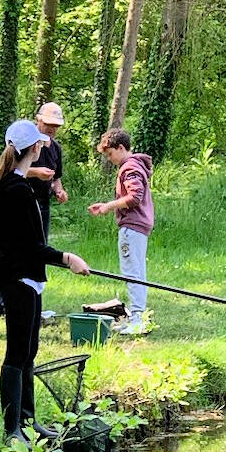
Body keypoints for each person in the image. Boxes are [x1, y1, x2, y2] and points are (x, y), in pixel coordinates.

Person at [0, 120, 89, 446]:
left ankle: (28, 421)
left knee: (29, 350)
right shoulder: (18, 192)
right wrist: (69, 259)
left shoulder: (9, 184)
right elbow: (33, 247)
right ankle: (12, 429)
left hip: (25, 276)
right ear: (36, 148)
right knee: (16, 353)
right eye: (41, 143)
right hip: (18, 278)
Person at [88, 129, 154, 336]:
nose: (109, 159)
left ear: (121, 148)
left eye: (110, 154)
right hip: (139, 226)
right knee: (138, 272)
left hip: (132, 227)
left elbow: (134, 197)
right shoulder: (135, 165)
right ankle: (138, 317)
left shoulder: (130, 168)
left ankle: (136, 319)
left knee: (132, 273)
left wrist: (109, 206)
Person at [25, 101, 69, 240]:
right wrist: (36, 172)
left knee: (42, 245)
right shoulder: (25, 142)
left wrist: (59, 191)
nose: (52, 128)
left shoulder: (56, 148)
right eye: (48, 124)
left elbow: (56, 178)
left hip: (44, 204)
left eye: (56, 125)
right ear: (38, 120)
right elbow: (10, 170)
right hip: (24, 201)